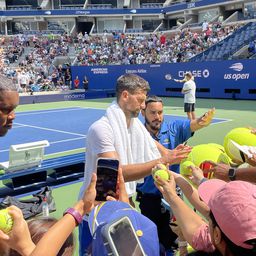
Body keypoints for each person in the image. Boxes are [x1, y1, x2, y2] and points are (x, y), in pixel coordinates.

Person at [78, 74, 191, 255]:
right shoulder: (102, 129)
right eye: (140, 100)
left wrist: (168, 153)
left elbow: (152, 144)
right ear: (125, 96)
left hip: (124, 209)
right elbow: (118, 172)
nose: (143, 106)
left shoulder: (133, 126)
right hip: (95, 215)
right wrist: (162, 160)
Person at [137, 95, 215, 254]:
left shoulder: (174, 128)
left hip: (174, 196)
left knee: (178, 238)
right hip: (148, 197)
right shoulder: (137, 134)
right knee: (153, 242)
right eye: (152, 113)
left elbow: (193, 125)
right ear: (143, 112)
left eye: (160, 112)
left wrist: (201, 121)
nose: (157, 117)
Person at [155, 174, 256, 256]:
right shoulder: (239, 242)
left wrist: (182, 242)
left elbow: (194, 228)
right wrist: (177, 179)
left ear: (217, 235)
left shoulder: (210, 244)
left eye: (210, 218)